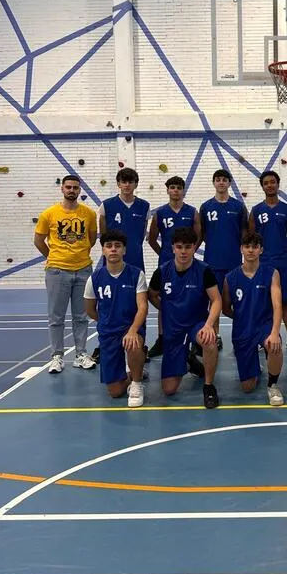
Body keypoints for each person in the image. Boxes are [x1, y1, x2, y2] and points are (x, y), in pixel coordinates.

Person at [148, 227, 221, 409]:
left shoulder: (204, 271)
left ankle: (209, 386)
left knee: (210, 341)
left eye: (188, 247)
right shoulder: (161, 272)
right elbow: (152, 295)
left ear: (194, 247)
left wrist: (209, 325)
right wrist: (166, 309)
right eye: (179, 247)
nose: (183, 251)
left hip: (197, 324)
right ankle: (190, 362)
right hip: (174, 328)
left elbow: (216, 300)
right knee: (169, 390)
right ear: (173, 248)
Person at [34, 175, 97, 374]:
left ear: (80, 190)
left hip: (83, 270)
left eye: (75, 187)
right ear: (62, 189)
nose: (71, 190)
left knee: (81, 316)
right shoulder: (49, 214)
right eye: (68, 187)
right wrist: (54, 257)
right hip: (57, 271)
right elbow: (38, 240)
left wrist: (78, 255)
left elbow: (91, 239)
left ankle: (81, 354)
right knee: (56, 317)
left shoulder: (89, 214)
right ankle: (57, 356)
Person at [84, 231, 148, 407]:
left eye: (117, 246)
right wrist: (106, 321)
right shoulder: (94, 278)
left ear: (124, 250)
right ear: (103, 250)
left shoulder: (136, 274)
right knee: (115, 392)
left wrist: (133, 330)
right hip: (108, 333)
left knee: (134, 343)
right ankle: (134, 372)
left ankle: (137, 383)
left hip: (130, 328)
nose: (113, 249)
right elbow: (90, 309)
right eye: (109, 246)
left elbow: (143, 307)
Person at [222, 230, 284, 405]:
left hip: (265, 325)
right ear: (241, 249)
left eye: (255, 247)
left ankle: (273, 385)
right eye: (247, 246)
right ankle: (255, 367)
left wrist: (275, 332)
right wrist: (242, 317)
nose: (251, 250)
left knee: (274, 345)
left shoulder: (272, 273)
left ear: (261, 250)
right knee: (247, 387)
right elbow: (226, 308)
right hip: (243, 329)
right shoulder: (230, 278)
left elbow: (277, 306)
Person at [95, 167, 150, 363]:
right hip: (112, 264)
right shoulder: (107, 205)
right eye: (123, 181)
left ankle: (139, 344)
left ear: (136, 184)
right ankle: (106, 343)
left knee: (138, 304)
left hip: (135, 261)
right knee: (109, 303)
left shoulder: (144, 206)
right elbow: (104, 234)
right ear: (118, 184)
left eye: (130, 181)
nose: (127, 185)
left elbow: (142, 234)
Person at [146, 175, 201, 358]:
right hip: (167, 263)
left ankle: (193, 340)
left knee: (190, 299)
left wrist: (189, 253)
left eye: (179, 187)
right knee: (165, 300)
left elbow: (199, 236)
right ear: (168, 190)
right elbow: (151, 239)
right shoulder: (160, 213)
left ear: (183, 190)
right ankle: (162, 339)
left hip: (188, 264)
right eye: (172, 187)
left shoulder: (192, 212)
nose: (176, 190)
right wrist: (164, 254)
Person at [249, 170, 287, 352]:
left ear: (278, 184)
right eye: (266, 183)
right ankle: (261, 337)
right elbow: (251, 239)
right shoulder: (256, 210)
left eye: (273, 182)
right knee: (262, 301)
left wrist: (281, 250)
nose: (270, 185)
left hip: (283, 262)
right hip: (262, 263)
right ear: (262, 186)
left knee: (286, 300)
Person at [199, 168, 248, 349]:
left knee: (238, 302)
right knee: (214, 302)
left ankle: (241, 335)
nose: (221, 182)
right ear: (214, 182)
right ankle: (216, 335)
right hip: (212, 263)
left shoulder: (238, 207)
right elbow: (203, 233)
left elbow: (244, 233)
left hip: (234, 263)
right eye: (218, 179)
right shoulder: (205, 207)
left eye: (224, 179)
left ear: (229, 183)